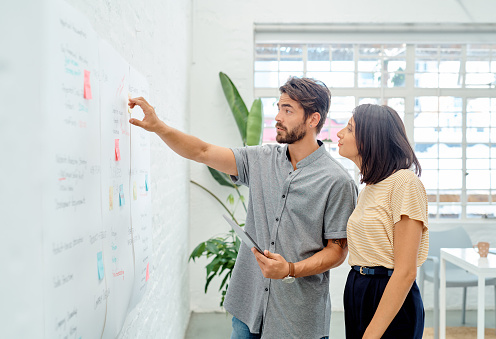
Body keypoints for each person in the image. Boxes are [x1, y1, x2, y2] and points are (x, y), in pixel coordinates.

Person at [128, 76, 358, 338]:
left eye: (288, 110)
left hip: (298, 320)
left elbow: (337, 252)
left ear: (313, 119)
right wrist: (159, 127)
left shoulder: (337, 181)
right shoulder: (260, 159)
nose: (278, 117)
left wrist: (290, 269)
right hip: (247, 307)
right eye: (278, 107)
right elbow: (202, 152)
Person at [337, 104, 429, 339]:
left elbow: (406, 271)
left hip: (387, 291)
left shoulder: (405, 183)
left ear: (370, 139)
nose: (339, 134)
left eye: (349, 129)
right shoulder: (370, 188)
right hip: (358, 288)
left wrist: (372, 333)